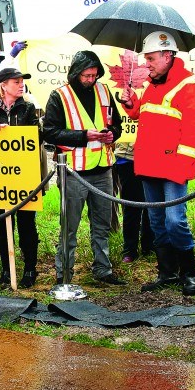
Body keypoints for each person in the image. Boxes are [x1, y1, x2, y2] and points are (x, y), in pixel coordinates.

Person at [120, 31, 195, 296]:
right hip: (148, 165)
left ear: (168, 55)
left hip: (172, 168)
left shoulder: (190, 84)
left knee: (174, 221)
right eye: (146, 58)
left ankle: (189, 274)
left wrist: (181, 168)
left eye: (151, 58)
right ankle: (167, 272)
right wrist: (131, 103)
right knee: (157, 221)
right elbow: (144, 113)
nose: (146, 63)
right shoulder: (152, 83)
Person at [42, 50, 125, 285]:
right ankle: (64, 273)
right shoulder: (59, 96)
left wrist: (113, 135)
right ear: (76, 73)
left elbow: (116, 124)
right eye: (86, 75)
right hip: (73, 171)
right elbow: (50, 132)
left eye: (94, 75)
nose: (91, 79)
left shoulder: (104, 91)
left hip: (103, 168)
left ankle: (103, 269)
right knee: (69, 226)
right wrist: (83, 136)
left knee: (102, 225)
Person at [0, 67, 41, 288]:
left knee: (26, 224)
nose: (21, 84)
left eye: (21, 81)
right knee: (2, 224)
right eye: (16, 81)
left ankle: (30, 269)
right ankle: (7, 269)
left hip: (24, 175)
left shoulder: (28, 108)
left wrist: (12, 133)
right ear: (3, 85)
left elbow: (36, 137)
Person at [114, 141, 154, 263]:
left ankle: (150, 246)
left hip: (153, 155)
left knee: (151, 204)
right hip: (127, 157)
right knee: (131, 205)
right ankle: (129, 250)